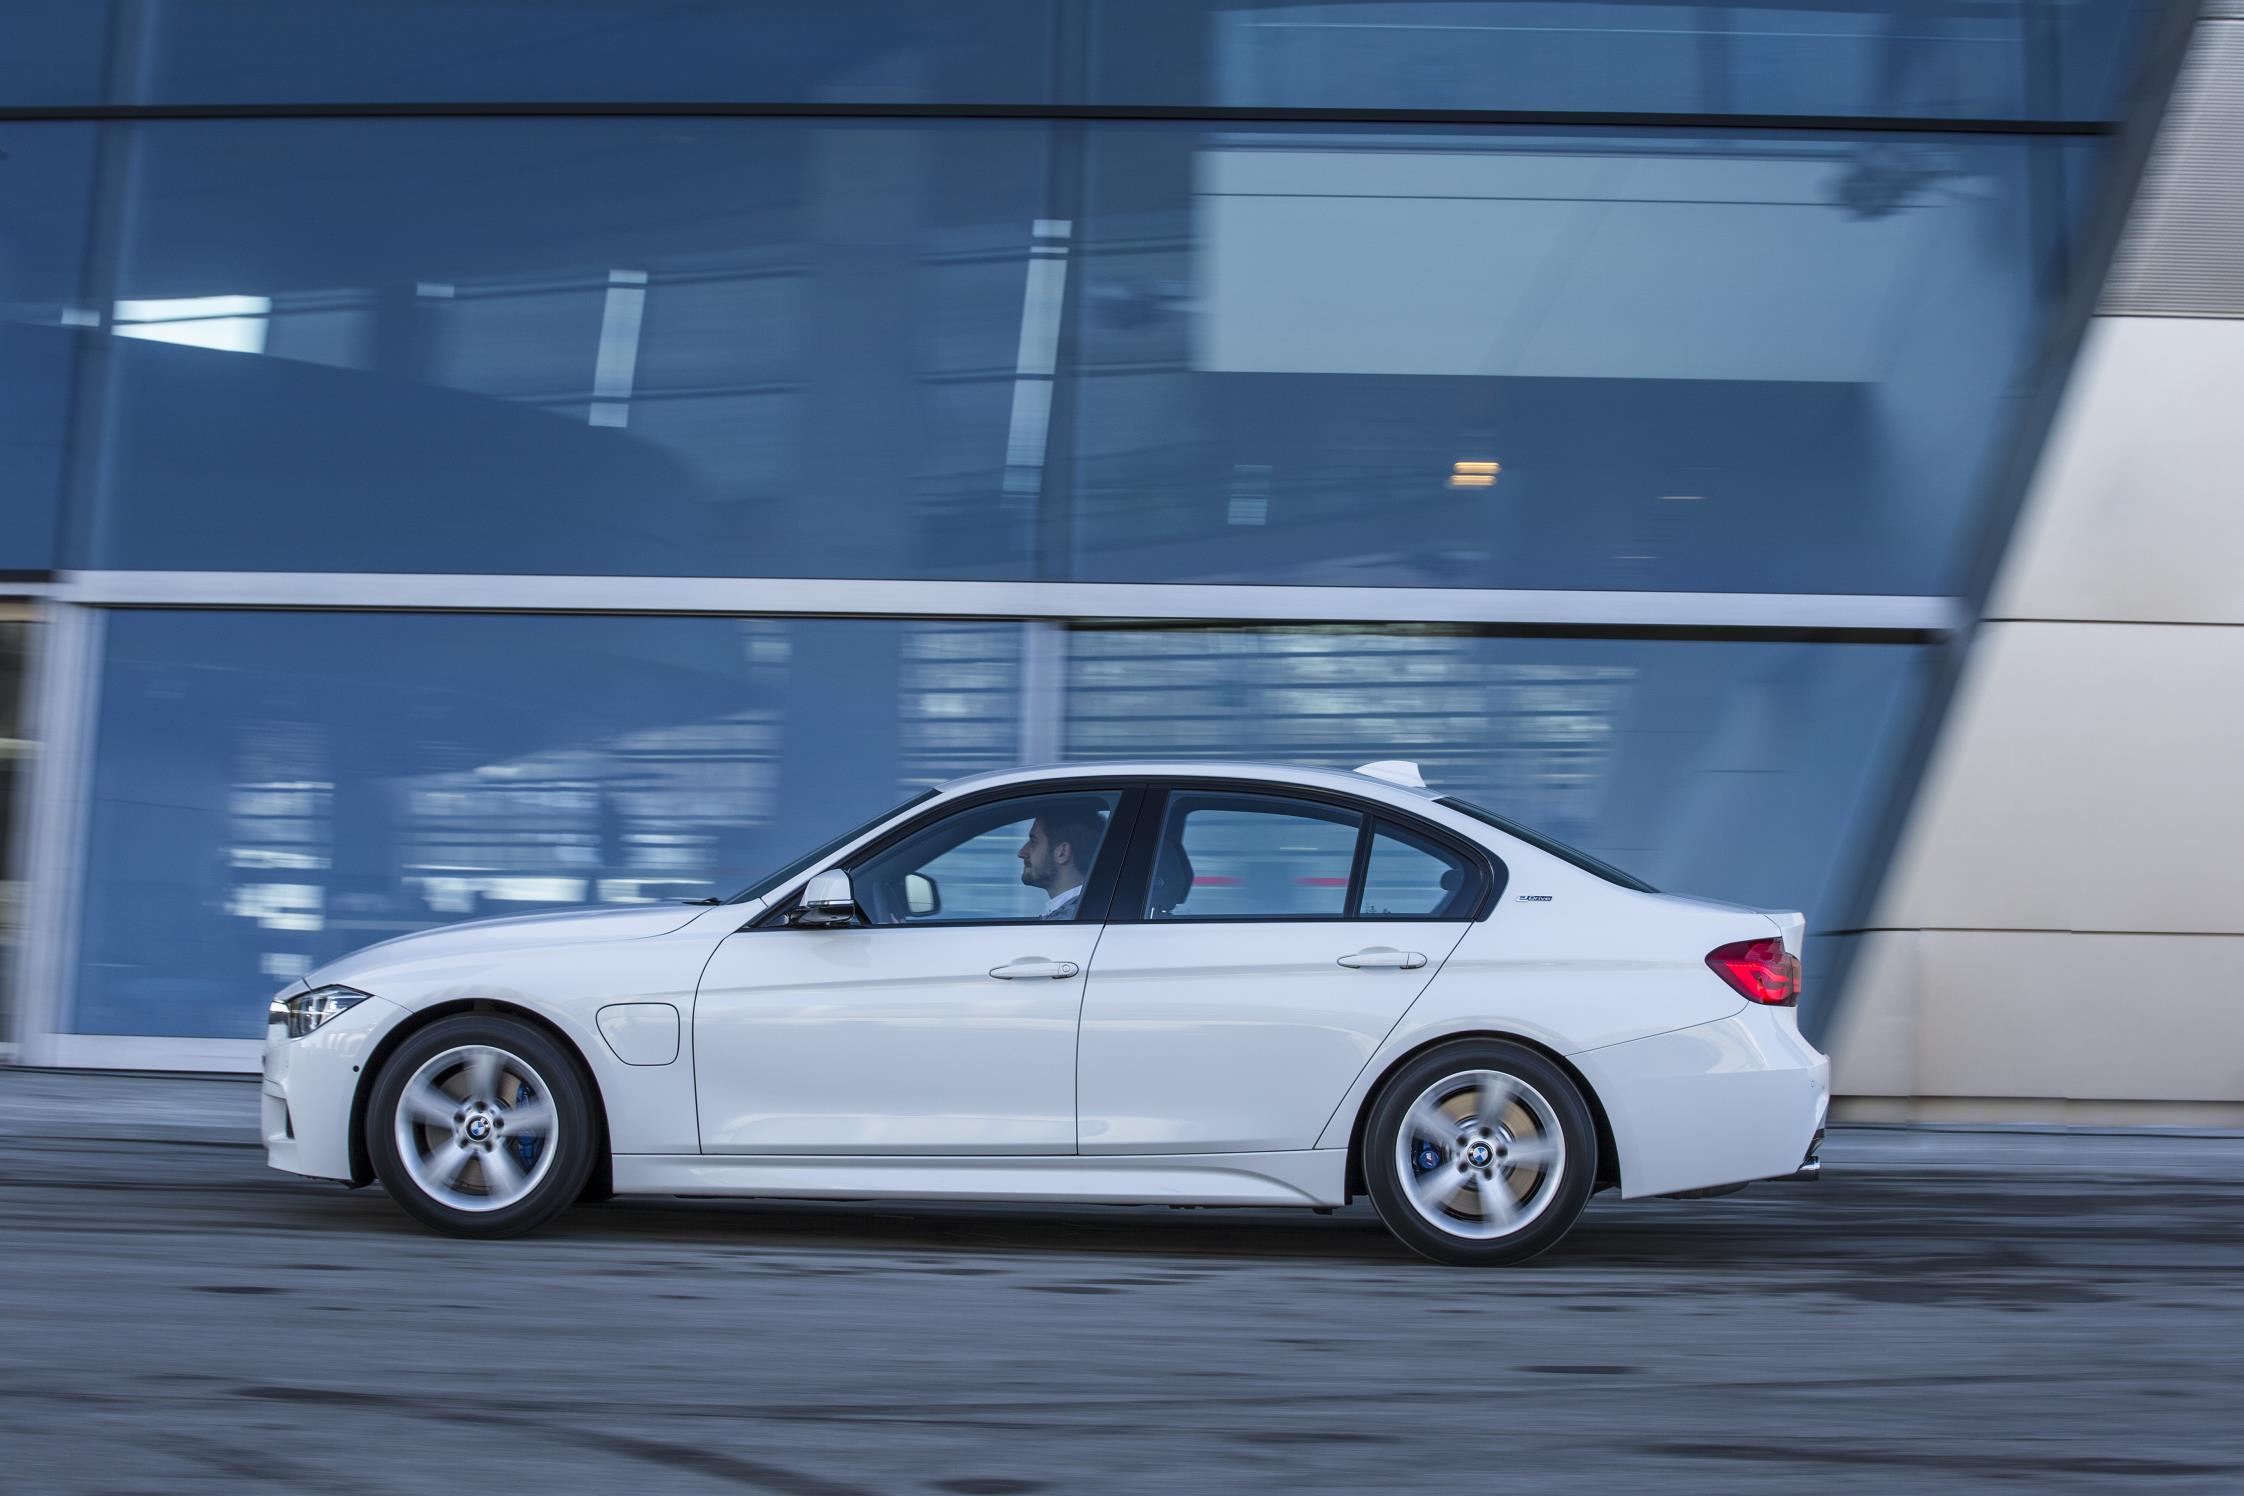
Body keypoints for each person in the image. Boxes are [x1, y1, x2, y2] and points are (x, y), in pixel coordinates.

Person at [1017, 801, 1107, 921]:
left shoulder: (1070, 920)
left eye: (1033, 842)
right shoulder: (1088, 911)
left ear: (1062, 853)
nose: (1021, 852)